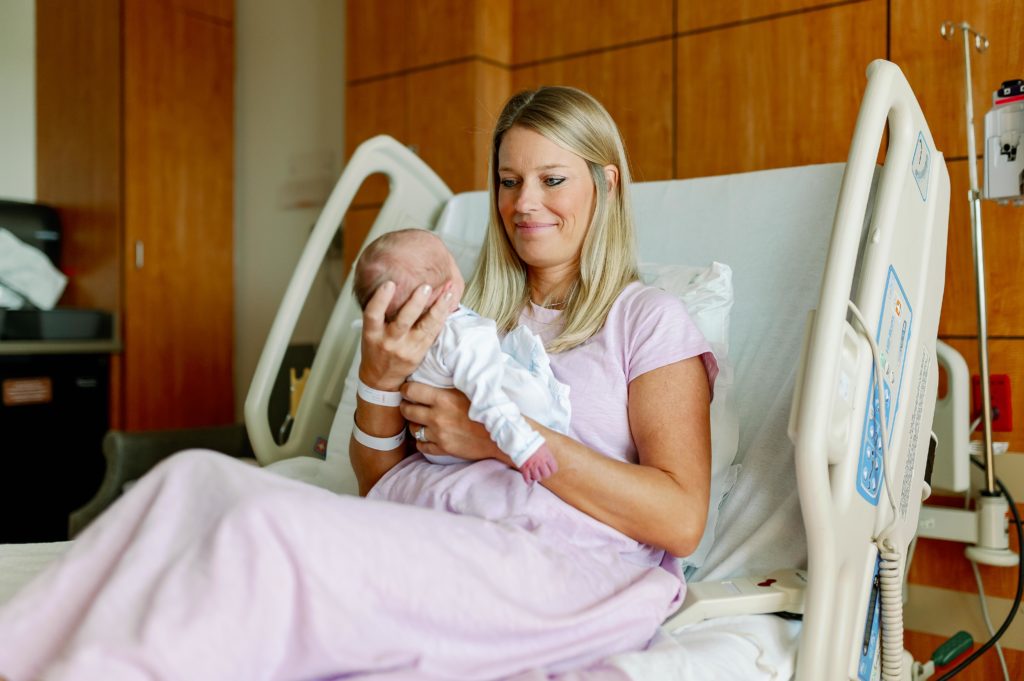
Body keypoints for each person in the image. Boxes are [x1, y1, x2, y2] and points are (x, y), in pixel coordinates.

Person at [0, 86, 717, 681]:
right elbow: (378, 479)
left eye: (551, 178)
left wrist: (494, 440)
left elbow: (680, 516)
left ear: (606, 180)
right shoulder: (464, 315)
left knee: (264, 530)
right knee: (188, 481)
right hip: (433, 525)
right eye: (507, 180)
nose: (524, 202)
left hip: (562, 563)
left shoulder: (644, 319)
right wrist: (379, 378)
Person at [351, 228, 567, 483]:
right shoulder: (464, 337)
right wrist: (525, 448)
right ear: (448, 290)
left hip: (436, 460)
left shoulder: (405, 344)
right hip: (518, 435)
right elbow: (489, 398)